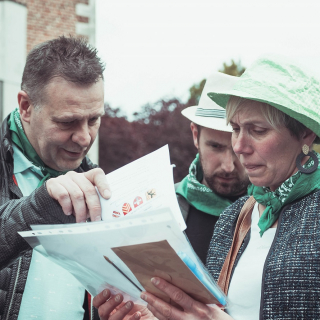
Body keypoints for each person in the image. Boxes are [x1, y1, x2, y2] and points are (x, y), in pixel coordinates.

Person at [138, 55, 320, 319]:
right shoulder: (232, 218)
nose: (238, 146)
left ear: (305, 133)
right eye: (235, 128)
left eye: (257, 130)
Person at [0, 36, 122, 320]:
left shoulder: (97, 186)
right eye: (67, 121)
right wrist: (36, 210)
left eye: (94, 119)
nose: (84, 138)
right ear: (26, 106)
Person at [176, 73, 249, 263]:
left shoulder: (274, 212)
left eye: (238, 149)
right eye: (215, 147)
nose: (228, 166)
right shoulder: (166, 206)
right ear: (195, 135)